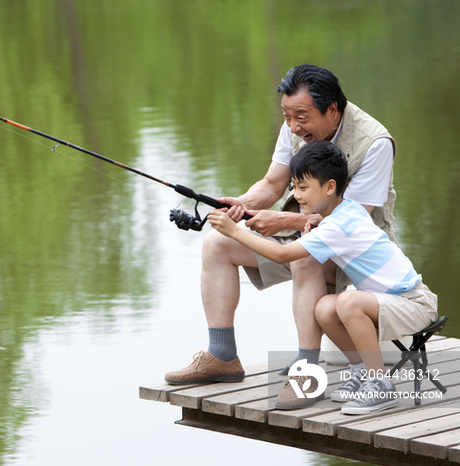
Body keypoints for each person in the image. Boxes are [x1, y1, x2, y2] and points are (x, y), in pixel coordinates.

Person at [164, 64, 398, 409]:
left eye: (300, 116)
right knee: (218, 243)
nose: (293, 126)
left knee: (306, 254)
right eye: (287, 117)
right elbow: (273, 184)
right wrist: (240, 205)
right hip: (302, 234)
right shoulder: (298, 128)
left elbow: (351, 220)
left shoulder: (375, 142)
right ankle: (222, 355)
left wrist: (283, 220)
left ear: (332, 109)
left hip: (359, 258)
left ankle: (306, 372)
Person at [207, 140, 437, 414]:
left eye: (304, 188)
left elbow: (283, 255)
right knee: (324, 307)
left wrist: (235, 232)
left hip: (414, 303)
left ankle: (381, 386)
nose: (297, 195)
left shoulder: (337, 226)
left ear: (329, 187)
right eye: (294, 187)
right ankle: (362, 370)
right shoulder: (342, 211)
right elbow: (329, 227)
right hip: (389, 301)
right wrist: (318, 221)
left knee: (347, 302)